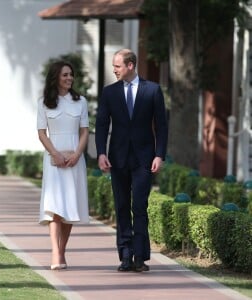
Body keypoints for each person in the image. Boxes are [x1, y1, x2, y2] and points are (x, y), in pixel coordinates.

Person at [95, 49, 168, 272]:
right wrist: (100, 152)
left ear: (130, 65)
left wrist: (159, 154)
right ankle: (125, 255)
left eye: (117, 66)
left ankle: (140, 257)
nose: (114, 70)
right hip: (117, 158)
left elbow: (162, 126)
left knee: (139, 206)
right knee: (122, 206)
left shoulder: (153, 90)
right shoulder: (109, 93)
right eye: (113, 66)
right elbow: (101, 125)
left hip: (144, 159)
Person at [37, 60, 89, 270]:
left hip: (75, 161)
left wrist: (77, 154)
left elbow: (84, 131)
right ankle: (55, 252)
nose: (69, 78)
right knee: (55, 207)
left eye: (71, 75)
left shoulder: (81, 101)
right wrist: (55, 154)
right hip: (54, 161)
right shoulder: (43, 102)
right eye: (65, 75)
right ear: (55, 77)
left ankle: (63, 249)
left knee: (70, 207)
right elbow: (41, 133)